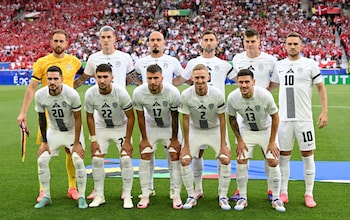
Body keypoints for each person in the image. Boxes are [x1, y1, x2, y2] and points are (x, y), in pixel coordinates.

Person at [17, 29, 90, 202]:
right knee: (44, 150)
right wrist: (23, 112)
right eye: (55, 41)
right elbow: (32, 87)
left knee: (70, 151)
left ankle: (72, 187)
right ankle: (43, 191)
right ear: (51, 42)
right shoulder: (42, 62)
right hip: (49, 116)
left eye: (61, 41)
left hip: (69, 114)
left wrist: (75, 86)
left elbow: (85, 73)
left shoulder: (74, 61)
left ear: (66, 43)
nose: (58, 44)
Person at [173, 30, 234, 200]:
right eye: (205, 39)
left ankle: (223, 195)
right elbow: (181, 80)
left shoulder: (223, 64)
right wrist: (165, 86)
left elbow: (241, 78)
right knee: (196, 154)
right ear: (201, 42)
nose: (208, 42)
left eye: (211, 40)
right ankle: (197, 190)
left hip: (216, 116)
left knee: (223, 155)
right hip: (196, 118)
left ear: (216, 43)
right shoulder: (193, 62)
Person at [270, 32, 328, 208]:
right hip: (285, 120)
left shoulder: (310, 64)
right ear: (285, 46)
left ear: (301, 46)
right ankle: (283, 192)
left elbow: (320, 87)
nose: (292, 46)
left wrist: (325, 111)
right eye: (289, 44)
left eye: (296, 43)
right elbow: (270, 87)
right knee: (284, 156)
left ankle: (309, 193)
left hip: (304, 119)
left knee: (307, 155)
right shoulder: (279, 65)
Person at [80, 25, 135, 201]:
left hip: (120, 109)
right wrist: (67, 88)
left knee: (125, 156)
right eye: (102, 37)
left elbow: (133, 77)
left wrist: (146, 90)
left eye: (108, 37)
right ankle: (98, 190)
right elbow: (84, 78)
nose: (105, 40)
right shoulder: (93, 58)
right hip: (101, 113)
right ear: (99, 39)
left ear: (114, 38)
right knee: (97, 156)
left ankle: (126, 192)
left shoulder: (124, 57)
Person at [134, 31, 184, 200]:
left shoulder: (172, 61)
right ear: (148, 42)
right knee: (147, 152)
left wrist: (169, 85)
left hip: (169, 116)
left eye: (158, 40)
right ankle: (147, 189)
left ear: (164, 42)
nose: (155, 43)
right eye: (152, 40)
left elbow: (181, 76)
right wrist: (144, 85)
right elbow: (133, 75)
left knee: (173, 154)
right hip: (151, 120)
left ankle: (174, 190)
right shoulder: (141, 62)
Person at [227, 69, 285, 212]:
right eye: (241, 82)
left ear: (254, 82)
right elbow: (232, 118)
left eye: (247, 82)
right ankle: (243, 197)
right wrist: (239, 139)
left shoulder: (264, 95)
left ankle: (276, 198)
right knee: (241, 160)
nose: (244, 85)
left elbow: (275, 117)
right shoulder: (233, 97)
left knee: (273, 160)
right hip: (247, 131)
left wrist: (272, 142)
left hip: (266, 130)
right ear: (237, 83)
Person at [230, 28, 277, 201]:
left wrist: (263, 93)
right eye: (247, 41)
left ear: (259, 41)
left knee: (269, 154)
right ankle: (239, 190)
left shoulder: (270, 60)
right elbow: (237, 79)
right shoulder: (237, 59)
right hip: (244, 113)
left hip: (263, 112)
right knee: (242, 153)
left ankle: (272, 189)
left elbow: (275, 81)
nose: (250, 45)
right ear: (243, 42)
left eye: (253, 41)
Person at [179, 64, 231, 210]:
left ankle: (223, 195)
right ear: (192, 78)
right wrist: (187, 145)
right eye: (197, 77)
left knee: (225, 159)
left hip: (214, 129)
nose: (200, 80)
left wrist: (223, 145)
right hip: (196, 129)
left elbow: (222, 120)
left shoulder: (217, 94)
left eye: (203, 77)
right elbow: (184, 120)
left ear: (208, 77)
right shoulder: (186, 94)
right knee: (184, 160)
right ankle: (193, 194)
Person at [34, 66, 87, 209]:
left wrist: (76, 143)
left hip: (71, 131)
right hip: (54, 131)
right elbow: (41, 119)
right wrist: (44, 142)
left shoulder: (71, 94)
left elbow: (78, 119)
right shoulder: (40, 95)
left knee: (77, 159)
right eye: (49, 79)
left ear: (62, 80)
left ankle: (81, 196)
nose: (52, 82)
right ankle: (46, 196)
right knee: (42, 159)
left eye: (55, 79)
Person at [84, 64, 135, 209]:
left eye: (105, 77)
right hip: (101, 127)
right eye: (99, 77)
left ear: (112, 77)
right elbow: (89, 117)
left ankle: (127, 194)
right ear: (95, 77)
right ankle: (99, 195)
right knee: (96, 159)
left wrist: (127, 141)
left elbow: (131, 117)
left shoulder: (121, 93)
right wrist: (93, 140)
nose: (102, 80)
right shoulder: (90, 93)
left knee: (125, 159)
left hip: (120, 127)